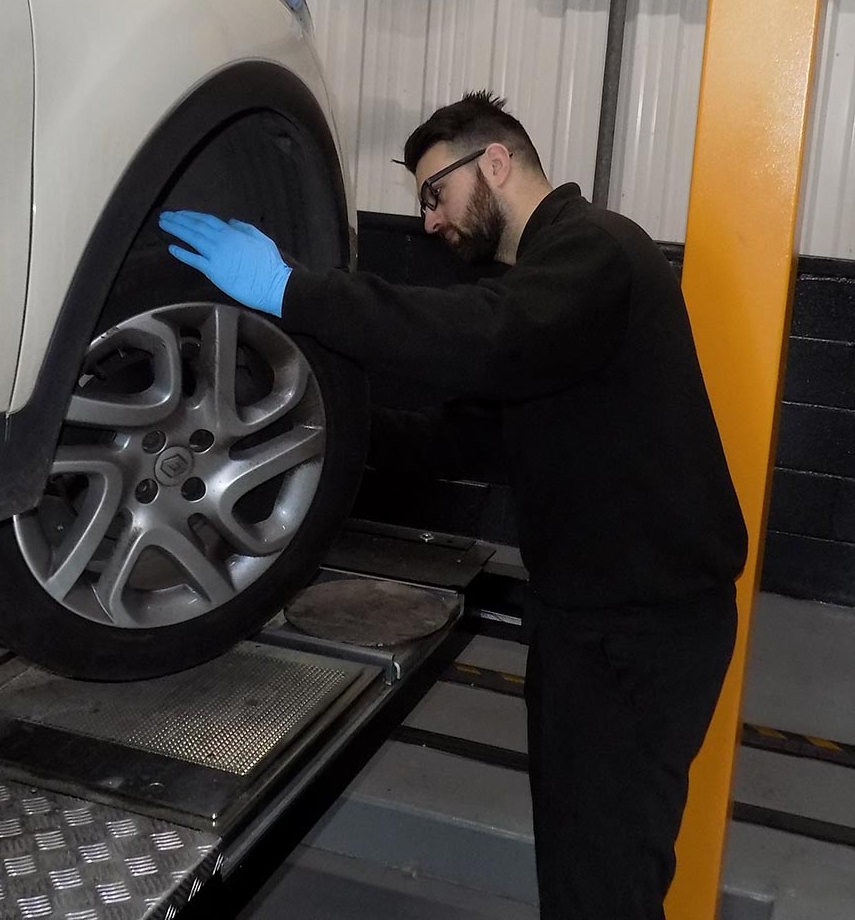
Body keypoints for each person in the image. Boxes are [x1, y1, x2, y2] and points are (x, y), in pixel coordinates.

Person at [159, 91, 748, 919]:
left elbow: (485, 334)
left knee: (601, 883)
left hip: (639, 631)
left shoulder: (596, 251)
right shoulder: (550, 299)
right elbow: (460, 439)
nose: (429, 221)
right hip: (593, 620)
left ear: (497, 163)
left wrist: (292, 289)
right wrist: (302, 438)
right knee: (585, 868)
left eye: (435, 192)